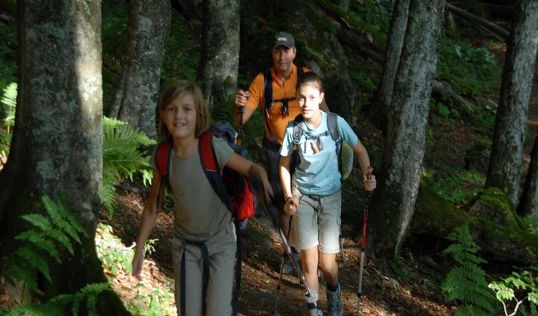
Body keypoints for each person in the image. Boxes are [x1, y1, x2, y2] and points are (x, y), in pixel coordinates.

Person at [132, 80, 273, 316]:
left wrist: (263, 178)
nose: (179, 116)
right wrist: (139, 249)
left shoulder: (211, 147)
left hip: (221, 243)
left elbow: (250, 168)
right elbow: (152, 206)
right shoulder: (163, 155)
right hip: (185, 246)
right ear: (163, 115)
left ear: (199, 115)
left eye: (187, 109)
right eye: (172, 109)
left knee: (217, 311)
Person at [279, 71, 376, 316]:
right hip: (303, 197)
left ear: (321, 97)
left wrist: (368, 176)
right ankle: (313, 308)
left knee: (328, 263)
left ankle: (333, 291)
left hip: (331, 197)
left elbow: (361, 150)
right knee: (309, 262)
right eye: (301, 98)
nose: (306, 103)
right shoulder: (294, 129)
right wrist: (289, 196)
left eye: (312, 97)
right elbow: (283, 164)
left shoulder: (335, 123)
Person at [234, 32, 327, 249]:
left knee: (310, 201)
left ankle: (310, 250)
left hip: (307, 150)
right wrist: (238, 104)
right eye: (278, 50)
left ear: (294, 53)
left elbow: (324, 112)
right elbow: (241, 119)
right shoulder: (262, 81)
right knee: (286, 203)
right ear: (272, 53)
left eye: (286, 51)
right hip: (277, 151)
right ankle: (290, 253)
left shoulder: (305, 77)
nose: (281, 56)